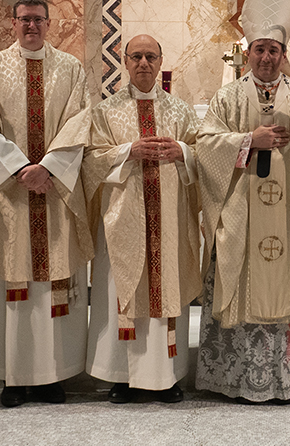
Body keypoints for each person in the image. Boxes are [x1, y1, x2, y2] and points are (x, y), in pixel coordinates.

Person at [196, 0, 290, 403]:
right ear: (248, 52)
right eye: (259, 49)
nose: (265, 57)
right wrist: (248, 141)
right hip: (242, 215)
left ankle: (288, 378)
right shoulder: (227, 98)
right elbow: (205, 146)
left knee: (289, 278)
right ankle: (238, 379)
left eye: (273, 50)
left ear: (283, 54)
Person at [51, 34, 200, 404]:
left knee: (166, 289)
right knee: (119, 292)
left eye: (151, 56)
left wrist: (181, 151)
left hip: (168, 222)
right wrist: (127, 151)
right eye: (136, 56)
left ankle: (166, 376)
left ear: (161, 61)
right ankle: (121, 377)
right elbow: (90, 161)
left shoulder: (181, 112)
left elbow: (203, 153)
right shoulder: (105, 112)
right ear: (125, 62)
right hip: (121, 223)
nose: (144, 63)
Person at [0, 0, 93, 407]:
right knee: (13, 285)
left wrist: (49, 168)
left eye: (38, 19)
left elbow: (80, 122)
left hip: (54, 194)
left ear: (49, 24)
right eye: (24, 19)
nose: (31, 26)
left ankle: (50, 377)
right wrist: (21, 168)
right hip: (10, 196)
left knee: (51, 288)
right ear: (13, 23)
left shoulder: (70, 68)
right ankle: (13, 378)